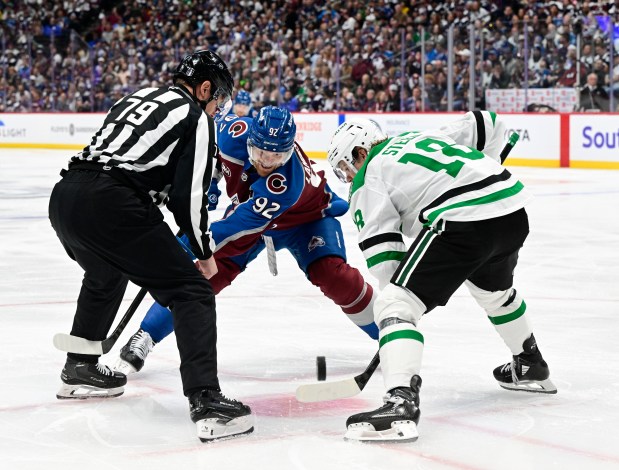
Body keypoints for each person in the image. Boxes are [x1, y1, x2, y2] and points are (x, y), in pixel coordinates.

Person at [48, 49, 254, 442]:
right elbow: (187, 200)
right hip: (113, 204)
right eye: (218, 99)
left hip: (66, 195)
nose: (218, 108)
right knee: (191, 291)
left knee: (106, 271)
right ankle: (207, 402)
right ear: (205, 88)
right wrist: (204, 254)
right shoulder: (195, 117)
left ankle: (80, 366)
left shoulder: (137, 96)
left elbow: (122, 158)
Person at [326, 111, 557, 443]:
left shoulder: (369, 176)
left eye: (346, 167)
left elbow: (385, 258)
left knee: (395, 302)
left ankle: (400, 402)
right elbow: (487, 122)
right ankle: (529, 363)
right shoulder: (421, 137)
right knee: (494, 292)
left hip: (465, 222)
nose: (348, 177)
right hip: (511, 211)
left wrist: (401, 314)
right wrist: (480, 172)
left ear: (360, 152)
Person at [114, 106, 378, 375]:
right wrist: (212, 181)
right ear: (250, 139)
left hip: (306, 219)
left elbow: (233, 226)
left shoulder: (285, 186)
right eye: (261, 153)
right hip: (251, 209)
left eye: (276, 156)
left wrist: (184, 244)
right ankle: (145, 335)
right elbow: (208, 151)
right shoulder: (229, 132)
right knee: (205, 274)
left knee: (333, 276)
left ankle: (388, 334)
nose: (266, 162)